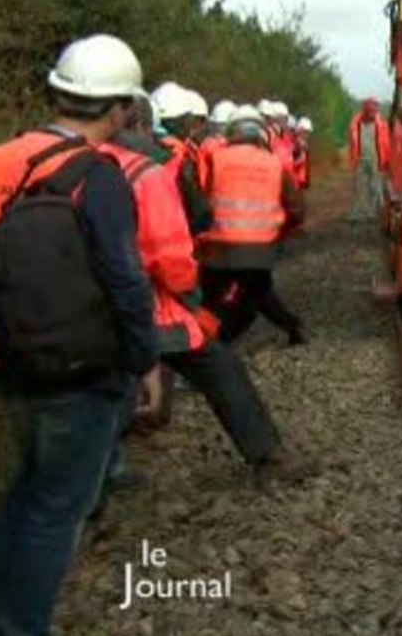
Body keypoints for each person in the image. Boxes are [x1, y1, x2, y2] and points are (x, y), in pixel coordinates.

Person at [0, 33, 161, 636]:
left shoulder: (0, 158)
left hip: (12, 364)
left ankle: (4, 632)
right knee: (55, 513)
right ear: (118, 107)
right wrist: (145, 362)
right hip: (83, 374)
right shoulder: (101, 176)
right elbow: (125, 279)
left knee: (25, 499)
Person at [101, 96, 308, 491]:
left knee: (105, 383)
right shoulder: (149, 170)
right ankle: (268, 456)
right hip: (151, 300)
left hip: (96, 303)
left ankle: (101, 477)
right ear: (143, 125)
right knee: (217, 365)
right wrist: (190, 299)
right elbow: (168, 252)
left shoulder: (89, 161)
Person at [199, 105, 307, 346]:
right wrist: (281, 229)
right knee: (256, 294)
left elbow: (202, 199)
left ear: (230, 131)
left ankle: (212, 344)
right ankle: (218, 344)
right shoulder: (274, 164)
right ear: (260, 132)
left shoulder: (215, 158)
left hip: (219, 247)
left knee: (211, 299)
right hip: (260, 249)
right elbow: (297, 209)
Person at [151, 83, 212, 236]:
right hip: (175, 234)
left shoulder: (138, 149)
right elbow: (198, 211)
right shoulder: (181, 158)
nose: (192, 126)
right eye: (188, 120)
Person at [348, 98, 391, 223]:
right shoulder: (355, 124)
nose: (372, 113)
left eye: (374, 111)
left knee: (375, 187)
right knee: (359, 187)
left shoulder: (382, 125)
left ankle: (373, 214)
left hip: (376, 159)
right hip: (360, 159)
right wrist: (353, 159)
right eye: (370, 111)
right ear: (365, 111)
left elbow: (386, 144)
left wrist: (386, 160)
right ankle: (358, 213)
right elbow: (352, 143)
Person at [293, 117, 313, 191]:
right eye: (305, 132)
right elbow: (290, 164)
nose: (306, 135)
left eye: (307, 132)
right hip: (295, 182)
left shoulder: (303, 145)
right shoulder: (294, 145)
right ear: (299, 130)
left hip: (301, 181)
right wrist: (299, 160)